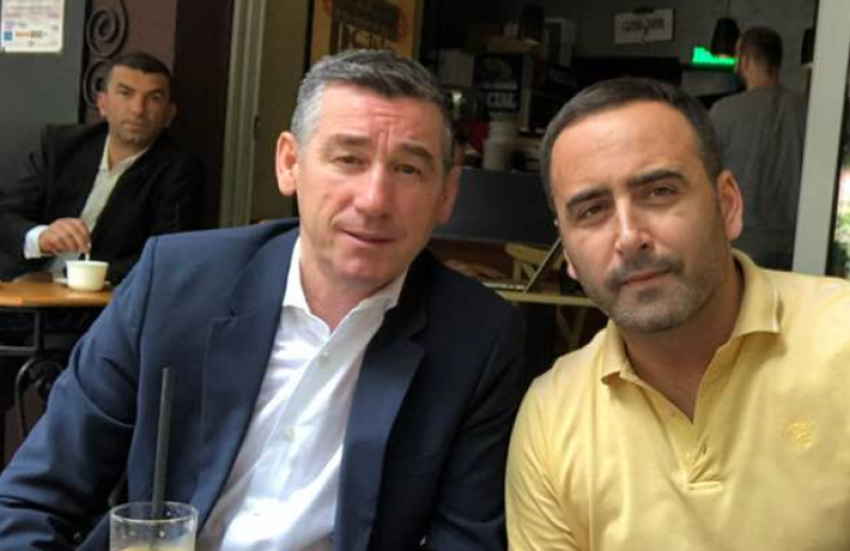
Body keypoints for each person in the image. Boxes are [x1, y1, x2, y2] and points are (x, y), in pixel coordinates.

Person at [0, 49, 527, 551]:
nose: (374, 200)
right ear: (289, 163)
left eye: (409, 169)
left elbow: (465, 538)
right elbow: (32, 499)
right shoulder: (177, 284)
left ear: (446, 195)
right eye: (348, 158)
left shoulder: (477, 338)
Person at [506, 77, 850, 551]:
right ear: (567, 251)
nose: (629, 237)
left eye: (659, 192)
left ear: (727, 205)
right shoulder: (551, 416)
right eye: (592, 210)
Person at [0, 51, 203, 284]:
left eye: (154, 98)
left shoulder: (179, 170)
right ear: (102, 103)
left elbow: (167, 255)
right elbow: (6, 214)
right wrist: (40, 238)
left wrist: (67, 277)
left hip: (102, 297)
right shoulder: (60, 146)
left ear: (169, 115)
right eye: (126, 93)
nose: (138, 109)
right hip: (16, 286)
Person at [709, 26, 807, 270]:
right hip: (798, 241)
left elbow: (703, 173)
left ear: (744, 60)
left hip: (742, 242)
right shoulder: (806, 109)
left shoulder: (724, 111)